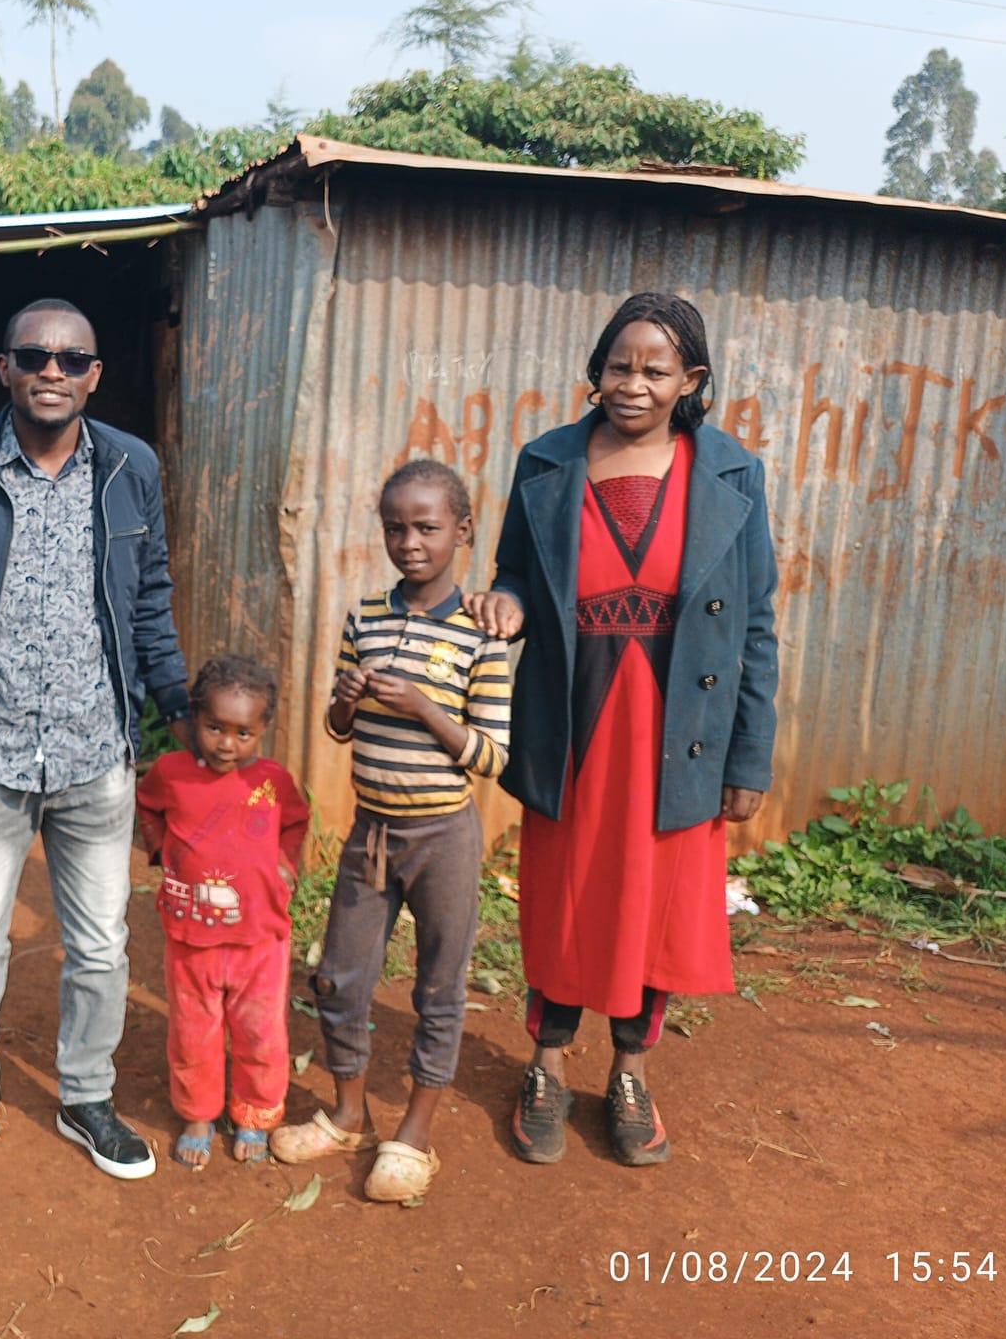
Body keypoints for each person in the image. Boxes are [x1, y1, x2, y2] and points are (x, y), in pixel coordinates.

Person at [463, 291, 778, 1169]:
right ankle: (548, 1064)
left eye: (655, 368)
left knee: (658, 912)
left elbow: (755, 626)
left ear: (692, 380)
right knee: (566, 898)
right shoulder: (546, 463)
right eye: (618, 365)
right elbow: (517, 573)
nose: (633, 383)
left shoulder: (732, 475)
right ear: (595, 372)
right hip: (578, 724)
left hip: (679, 733)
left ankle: (632, 1072)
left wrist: (748, 753)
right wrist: (508, 605)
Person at [0, 296, 190, 1190]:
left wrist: (180, 709)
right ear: (6, 369)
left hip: (98, 756)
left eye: (70, 359)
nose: (51, 371)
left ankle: (86, 1096)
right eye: (34, 356)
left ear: (95, 375)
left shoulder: (132, 468)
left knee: (100, 947)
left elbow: (148, 601)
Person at [269, 460, 512, 1202]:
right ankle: (347, 1112)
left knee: (439, 985)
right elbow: (338, 730)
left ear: (462, 532)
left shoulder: (484, 635)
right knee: (341, 975)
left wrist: (426, 711)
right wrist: (345, 702)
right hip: (372, 829)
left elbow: (493, 755)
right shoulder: (364, 616)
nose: (410, 543)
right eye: (395, 528)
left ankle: (415, 1132)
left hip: (444, 836)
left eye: (428, 528)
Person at [136, 656, 310, 1169]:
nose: (226, 744)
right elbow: (146, 806)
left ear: (262, 730)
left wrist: (285, 866)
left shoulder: (274, 780)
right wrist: (159, 851)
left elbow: (297, 822)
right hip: (191, 939)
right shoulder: (171, 773)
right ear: (194, 719)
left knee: (261, 1034)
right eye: (214, 728)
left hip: (261, 941)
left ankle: (255, 1114)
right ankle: (198, 1113)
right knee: (193, 1033)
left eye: (242, 733)